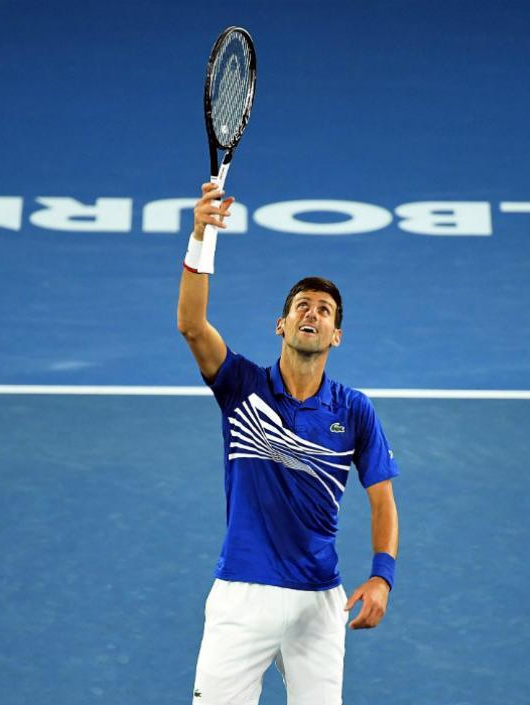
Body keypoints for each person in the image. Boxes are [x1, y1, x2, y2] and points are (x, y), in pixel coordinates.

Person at [177, 181, 401, 705]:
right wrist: (200, 238)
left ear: (335, 335)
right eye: (303, 305)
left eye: (325, 310)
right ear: (282, 324)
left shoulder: (355, 411)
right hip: (241, 597)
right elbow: (191, 325)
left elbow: (383, 499)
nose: (312, 314)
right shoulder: (240, 387)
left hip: (318, 603)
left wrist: (382, 577)